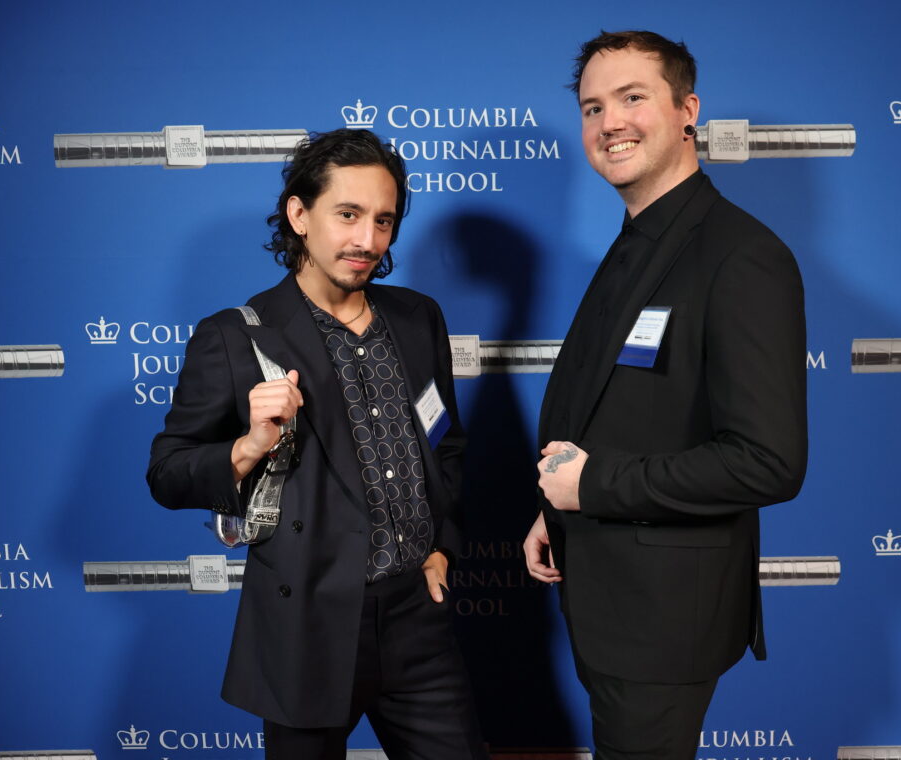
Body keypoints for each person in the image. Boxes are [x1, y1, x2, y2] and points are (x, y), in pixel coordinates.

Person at [148, 129, 488, 760]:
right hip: (307, 621)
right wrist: (249, 445)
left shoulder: (418, 318)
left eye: (383, 220)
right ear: (299, 215)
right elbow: (166, 473)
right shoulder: (232, 336)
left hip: (417, 616)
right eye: (348, 215)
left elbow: (445, 444)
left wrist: (443, 547)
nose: (367, 240)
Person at [524, 31, 808, 759]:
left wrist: (592, 486)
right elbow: (614, 399)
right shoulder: (636, 238)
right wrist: (553, 507)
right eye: (592, 107)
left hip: (663, 621)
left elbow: (767, 462)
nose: (609, 123)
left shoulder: (743, 256)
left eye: (631, 98)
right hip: (604, 591)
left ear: (688, 110)